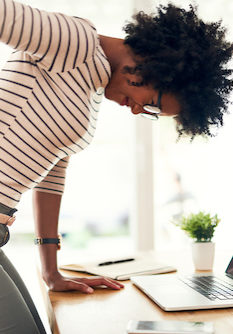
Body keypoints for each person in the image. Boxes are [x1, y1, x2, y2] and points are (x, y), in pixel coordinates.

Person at [0, 0, 232, 332]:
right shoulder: (74, 41)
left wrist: (51, 271)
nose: (139, 111)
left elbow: (51, 176)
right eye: (152, 104)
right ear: (153, 64)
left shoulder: (92, 89)